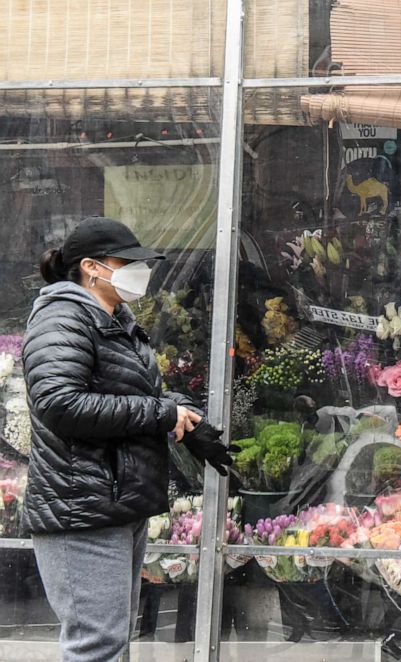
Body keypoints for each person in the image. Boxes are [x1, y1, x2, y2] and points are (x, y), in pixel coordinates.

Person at [21, 217, 235, 662]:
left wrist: (182, 416)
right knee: (96, 646)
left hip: (115, 503)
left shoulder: (113, 319)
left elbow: (128, 392)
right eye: (128, 262)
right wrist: (161, 414)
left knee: (111, 643)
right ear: (91, 268)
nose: (142, 271)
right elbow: (60, 404)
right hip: (82, 509)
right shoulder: (62, 317)